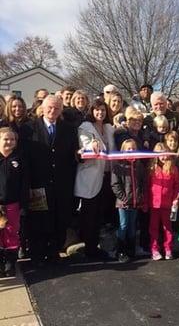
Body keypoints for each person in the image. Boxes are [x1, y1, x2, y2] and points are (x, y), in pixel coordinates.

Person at [26, 95, 78, 264]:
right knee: (39, 219)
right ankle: (37, 254)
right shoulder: (30, 128)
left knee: (60, 218)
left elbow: (73, 155)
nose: (52, 111)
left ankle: (54, 252)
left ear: (61, 110)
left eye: (56, 108)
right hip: (38, 183)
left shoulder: (69, 129)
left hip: (61, 184)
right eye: (49, 107)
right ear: (43, 107)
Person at [74, 98, 115, 259]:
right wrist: (93, 145)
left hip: (107, 176)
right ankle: (89, 248)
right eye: (97, 110)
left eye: (103, 110)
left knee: (100, 215)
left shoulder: (109, 127)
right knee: (89, 215)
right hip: (90, 177)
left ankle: (96, 246)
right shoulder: (85, 127)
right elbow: (85, 145)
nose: (100, 113)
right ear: (92, 111)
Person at [0, 128, 29, 277]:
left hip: (13, 205)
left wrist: (23, 205)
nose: (9, 142)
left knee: (11, 233)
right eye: (6, 139)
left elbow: (24, 185)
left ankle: (10, 262)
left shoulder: (19, 159)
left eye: (12, 139)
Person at [111, 139, 146, 262]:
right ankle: (120, 251)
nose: (131, 151)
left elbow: (143, 183)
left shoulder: (139, 165)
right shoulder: (118, 165)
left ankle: (131, 249)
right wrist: (123, 198)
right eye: (128, 149)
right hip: (123, 203)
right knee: (123, 225)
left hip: (135, 202)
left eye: (133, 148)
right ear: (123, 150)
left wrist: (140, 196)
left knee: (132, 226)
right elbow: (115, 184)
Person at [146, 142, 179, 260]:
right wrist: (145, 202)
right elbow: (147, 186)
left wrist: (176, 200)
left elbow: (177, 186)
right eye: (160, 153)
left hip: (167, 204)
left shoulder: (173, 168)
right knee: (154, 228)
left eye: (165, 153)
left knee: (168, 228)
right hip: (154, 204)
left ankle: (168, 248)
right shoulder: (151, 168)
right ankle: (154, 249)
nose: (163, 156)